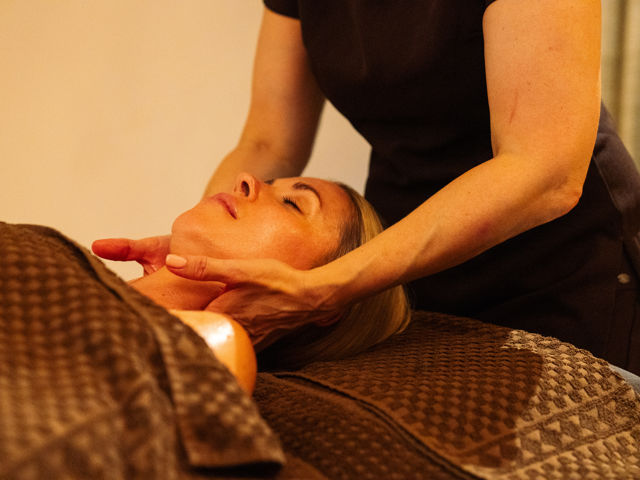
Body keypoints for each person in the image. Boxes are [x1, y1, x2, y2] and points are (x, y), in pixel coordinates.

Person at [96, 1, 640, 375]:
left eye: (293, 202)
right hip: (403, 255)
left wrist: (328, 287)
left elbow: (544, 171)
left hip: (556, 266)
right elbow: (267, 143)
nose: (249, 185)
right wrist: (196, 266)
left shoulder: (232, 343)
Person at [99, 173, 410, 372]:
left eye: (292, 204)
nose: (245, 178)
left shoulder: (204, 364)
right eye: (272, 183)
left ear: (320, 297)